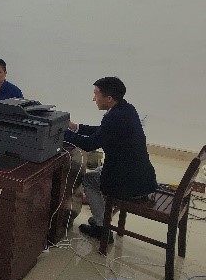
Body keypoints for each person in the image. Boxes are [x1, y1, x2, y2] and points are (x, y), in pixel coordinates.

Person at [65, 77, 158, 242]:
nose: (93, 98)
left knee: (88, 179)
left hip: (130, 185)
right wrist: (77, 127)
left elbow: (90, 144)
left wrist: (64, 134)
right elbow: (103, 131)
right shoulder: (126, 109)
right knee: (97, 173)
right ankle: (101, 216)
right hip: (143, 177)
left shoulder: (114, 117)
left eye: (96, 94)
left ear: (108, 98)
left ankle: (102, 228)